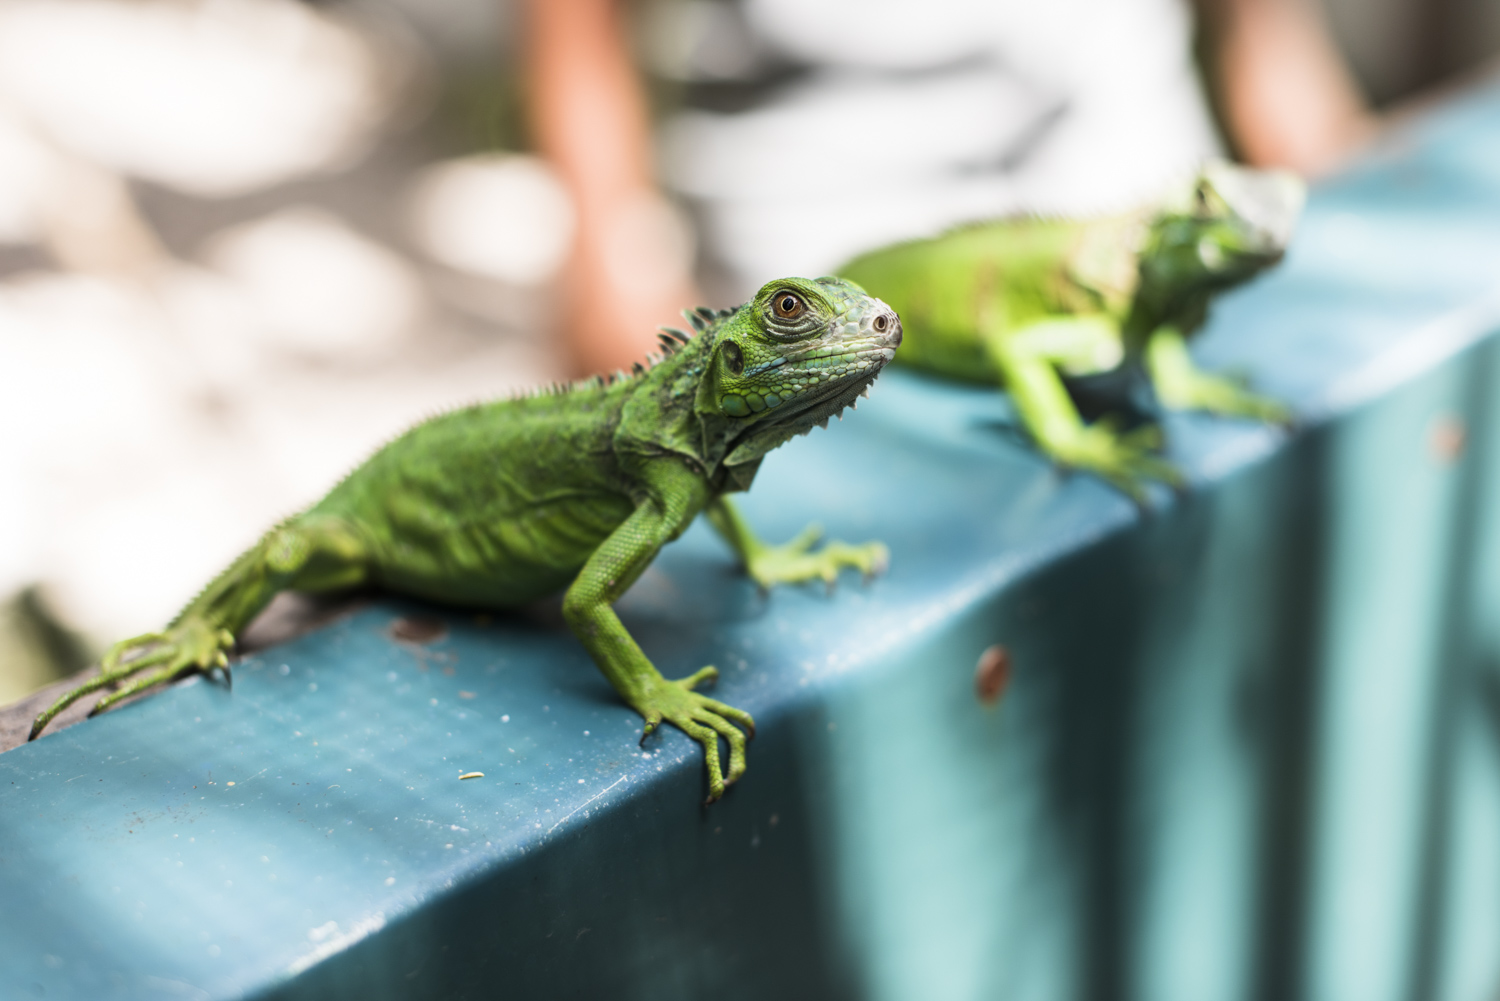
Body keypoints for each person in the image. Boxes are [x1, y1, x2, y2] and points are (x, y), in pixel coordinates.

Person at [522, 0, 1375, 376]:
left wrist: (1353, 194)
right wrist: (610, 256)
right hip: (813, 264)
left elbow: (1276, 61)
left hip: (1138, 211)